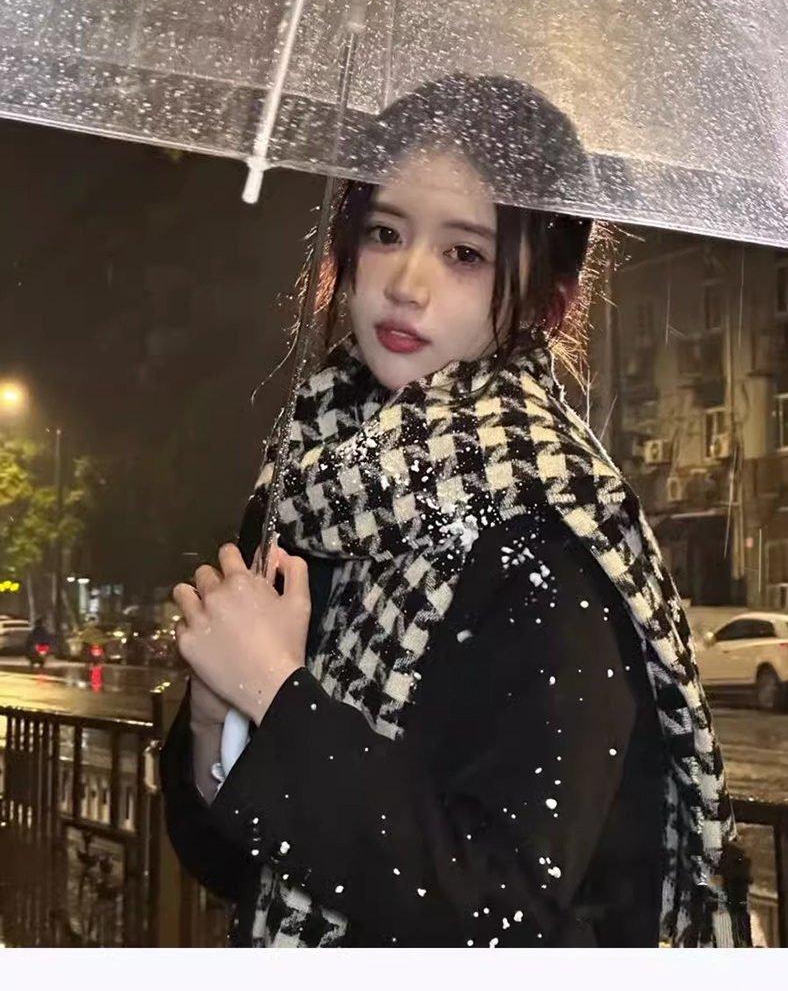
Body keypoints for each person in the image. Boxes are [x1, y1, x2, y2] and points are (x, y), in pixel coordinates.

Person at [160, 75, 751, 948]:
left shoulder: (550, 531)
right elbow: (231, 861)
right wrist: (218, 717)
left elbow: (503, 909)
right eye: (385, 232)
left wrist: (274, 696)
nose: (406, 281)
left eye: (465, 253)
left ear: (551, 301)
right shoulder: (315, 488)